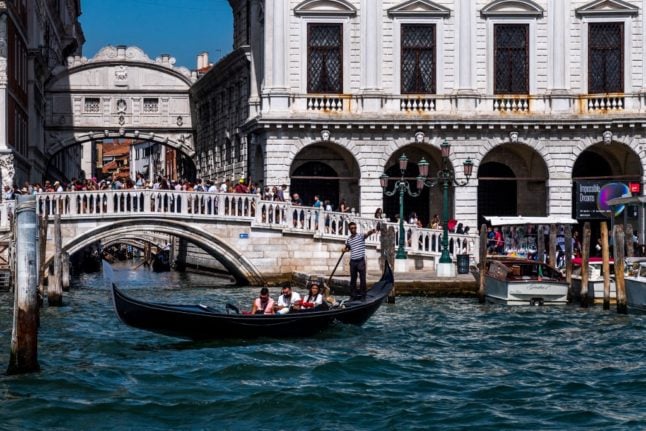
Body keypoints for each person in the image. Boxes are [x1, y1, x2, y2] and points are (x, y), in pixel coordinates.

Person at [343, 222, 377, 301]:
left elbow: (367, 234)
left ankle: (363, 296)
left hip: (360, 261)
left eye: (355, 228)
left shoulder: (360, 236)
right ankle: (353, 296)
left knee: (362, 279)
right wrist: (344, 250)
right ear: (349, 229)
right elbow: (348, 248)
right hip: (353, 262)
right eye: (352, 228)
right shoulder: (348, 240)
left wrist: (372, 231)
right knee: (353, 280)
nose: (353, 229)